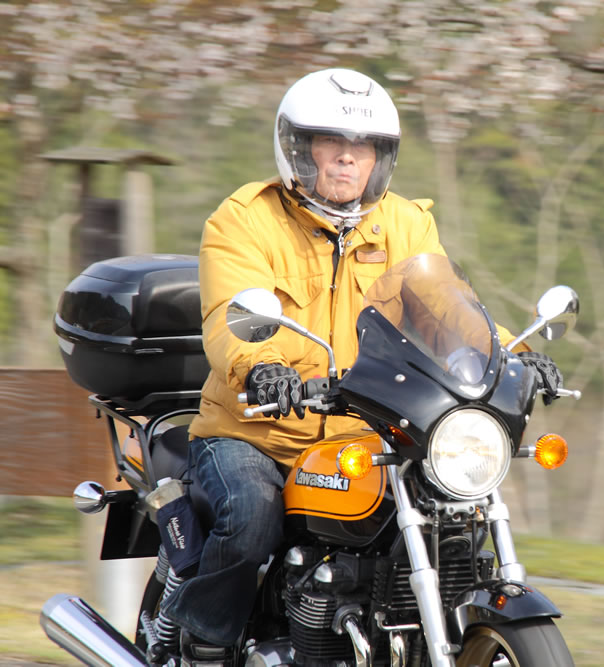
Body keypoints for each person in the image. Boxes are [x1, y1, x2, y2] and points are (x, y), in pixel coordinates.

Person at [158, 68, 564, 665]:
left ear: (382, 157)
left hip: (367, 431)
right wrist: (263, 367)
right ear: (298, 148)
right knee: (250, 517)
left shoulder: (405, 223)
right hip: (258, 429)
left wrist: (514, 358)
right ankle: (203, 647)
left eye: (365, 146)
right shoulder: (245, 219)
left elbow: (446, 312)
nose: (349, 158)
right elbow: (228, 314)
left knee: (449, 516)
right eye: (332, 142)